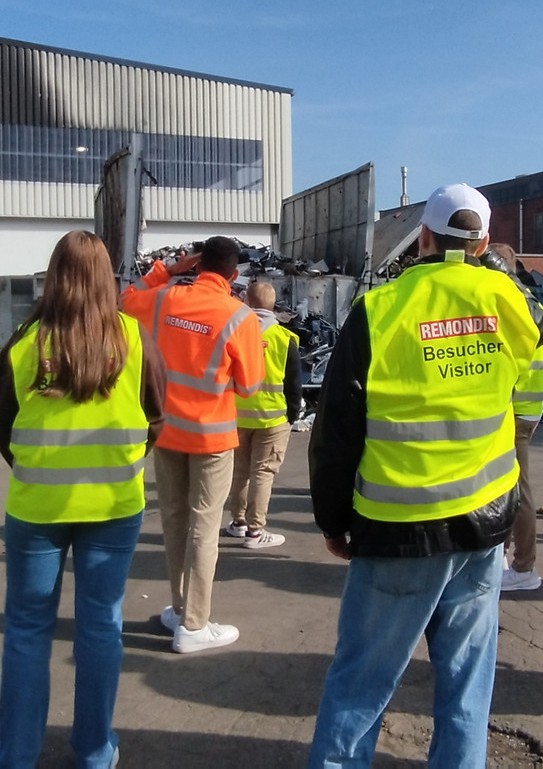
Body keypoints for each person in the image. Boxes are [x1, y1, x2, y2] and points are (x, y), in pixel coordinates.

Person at [307, 184, 540, 769]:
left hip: (397, 528)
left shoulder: (379, 309)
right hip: (483, 522)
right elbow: (527, 392)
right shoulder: (512, 303)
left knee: (361, 681)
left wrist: (333, 520)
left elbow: (336, 429)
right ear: (483, 242)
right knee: (467, 681)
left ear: (425, 237)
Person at [0, 230, 166, 769]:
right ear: (104, 278)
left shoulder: (24, 343)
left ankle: (16, 755)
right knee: (100, 626)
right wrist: (125, 463)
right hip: (114, 507)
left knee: (27, 631)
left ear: (54, 276)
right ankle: (94, 751)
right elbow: (155, 416)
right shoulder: (135, 339)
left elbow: (3, 426)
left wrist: (34, 468)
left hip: (36, 509)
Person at [120, 236, 264, 653]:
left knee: (174, 520)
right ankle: (194, 625)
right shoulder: (239, 317)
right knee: (204, 526)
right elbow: (250, 388)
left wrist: (166, 271)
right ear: (233, 276)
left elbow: (123, 300)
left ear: (197, 265)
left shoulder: (164, 299)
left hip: (166, 431)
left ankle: (181, 608)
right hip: (211, 437)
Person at [226, 280, 302, 548]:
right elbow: (294, 384)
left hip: (237, 416)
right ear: (273, 306)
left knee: (240, 472)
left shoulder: (235, 333)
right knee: (263, 473)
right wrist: (292, 415)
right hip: (273, 419)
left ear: (247, 301)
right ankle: (255, 532)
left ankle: (238, 523)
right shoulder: (285, 338)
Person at [490, 244, 543, 591]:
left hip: (516, 409)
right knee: (507, 485)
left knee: (517, 490)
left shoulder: (510, 306)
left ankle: (523, 569)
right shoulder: (532, 304)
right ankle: (503, 556)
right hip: (528, 407)